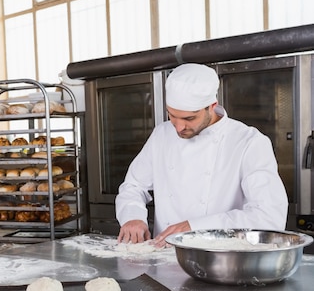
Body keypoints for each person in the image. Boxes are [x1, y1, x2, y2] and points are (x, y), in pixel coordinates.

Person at [116, 63, 288, 246]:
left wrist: (194, 227)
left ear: (212, 106)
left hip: (222, 261)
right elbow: (133, 186)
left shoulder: (249, 142)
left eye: (189, 118)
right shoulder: (161, 135)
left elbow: (268, 217)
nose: (179, 127)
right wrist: (132, 216)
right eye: (172, 115)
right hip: (164, 256)